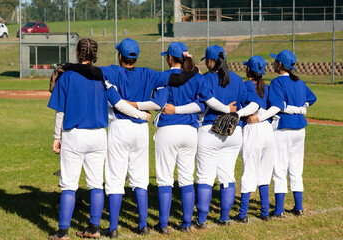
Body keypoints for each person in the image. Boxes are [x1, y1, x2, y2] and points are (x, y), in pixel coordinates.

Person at [61, 38, 199, 238]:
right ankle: (142, 224)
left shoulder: (113, 71)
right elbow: (177, 80)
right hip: (141, 129)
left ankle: (114, 227)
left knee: (115, 179)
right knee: (140, 178)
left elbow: (91, 71)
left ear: (120, 55)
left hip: (119, 127)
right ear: (136, 57)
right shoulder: (148, 73)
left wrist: (68, 66)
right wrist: (194, 71)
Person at [126, 42, 236, 234]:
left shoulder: (165, 77)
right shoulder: (197, 78)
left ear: (170, 58)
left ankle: (163, 225)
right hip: (190, 131)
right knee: (186, 179)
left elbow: (157, 103)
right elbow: (202, 105)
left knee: (165, 179)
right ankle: (186, 224)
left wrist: (134, 105)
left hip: (168, 130)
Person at [47, 38, 150, 240]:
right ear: (94, 55)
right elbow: (119, 104)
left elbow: (60, 112)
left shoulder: (67, 77)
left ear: (78, 53)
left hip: (74, 134)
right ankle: (93, 229)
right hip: (97, 136)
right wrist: (141, 115)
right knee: (95, 184)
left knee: (69, 185)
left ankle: (62, 233)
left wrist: (56, 137)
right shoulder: (103, 78)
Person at [164, 45, 261, 227]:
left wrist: (225, 110)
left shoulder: (206, 79)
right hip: (234, 132)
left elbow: (205, 101)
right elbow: (255, 104)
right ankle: (224, 218)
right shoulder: (238, 79)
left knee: (205, 177)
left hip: (210, 130)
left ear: (210, 61)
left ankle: (201, 220)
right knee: (227, 176)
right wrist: (238, 114)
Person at [247, 49, 317, 218]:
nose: (273, 63)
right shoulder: (299, 82)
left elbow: (277, 105)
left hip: (283, 128)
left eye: (275, 61)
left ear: (280, 65)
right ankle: (298, 207)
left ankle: (279, 210)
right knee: (296, 167)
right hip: (300, 129)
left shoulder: (278, 82)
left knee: (279, 168)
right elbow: (312, 98)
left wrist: (289, 109)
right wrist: (300, 108)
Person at [232, 55, 275, 223]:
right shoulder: (268, 87)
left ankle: (242, 214)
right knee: (264, 171)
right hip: (268, 129)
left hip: (253, 129)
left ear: (248, 69)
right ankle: (265, 212)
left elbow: (247, 105)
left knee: (249, 170)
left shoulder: (244, 86)